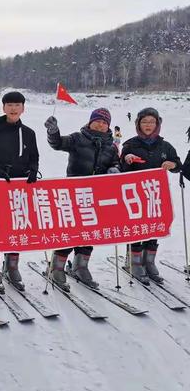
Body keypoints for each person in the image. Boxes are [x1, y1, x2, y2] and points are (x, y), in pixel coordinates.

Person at [44, 107, 120, 291]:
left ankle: (81, 265)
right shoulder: (78, 138)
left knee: (90, 229)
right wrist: (53, 132)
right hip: (74, 193)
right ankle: (56, 267)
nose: (101, 125)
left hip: (96, 195)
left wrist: (115, 169)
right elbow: (58, 143)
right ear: (90, 121)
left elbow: (115, 162)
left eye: (104, 122)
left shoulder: (111, 146)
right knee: (71, 230)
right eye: (98, 121)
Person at [0, 91, 39, 293]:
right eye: (9, 105)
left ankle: (12, 265)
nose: (13, 109)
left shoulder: (29, 133)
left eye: (17, 105)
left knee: (17, 225)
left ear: (23, 108)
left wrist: (32, 170)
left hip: (20, 188)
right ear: (3, 107)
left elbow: (34, 157)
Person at [121, 107, 181, 284]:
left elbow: (177, 164)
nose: (148, 125)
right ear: (138, 124)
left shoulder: (165, 146)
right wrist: (127, 159)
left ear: (157, 124)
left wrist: (173, 164)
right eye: (144, 122)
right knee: (137, 226)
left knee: (154, 225)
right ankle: (134, 261)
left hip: (156, 194)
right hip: (135, 195)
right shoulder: (130, 144)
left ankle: (149, 260)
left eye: (151, 122)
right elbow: (120, 166)